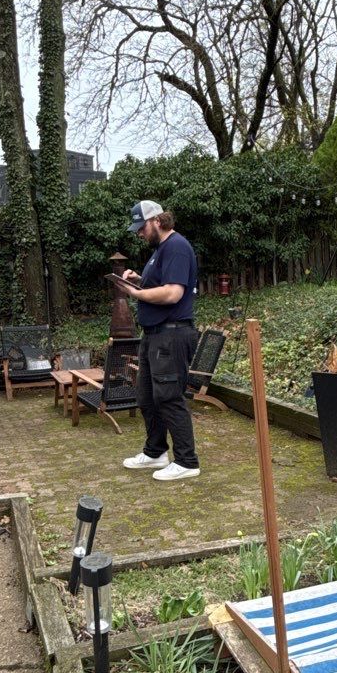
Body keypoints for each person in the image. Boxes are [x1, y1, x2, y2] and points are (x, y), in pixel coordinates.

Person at [116, 200, 201, 482]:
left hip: (172, 334)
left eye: (141, 227)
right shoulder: (160, 251)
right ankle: (155, 452)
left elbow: (173, 293)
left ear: (157, 221)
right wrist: (139, 279)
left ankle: (187, 462)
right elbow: (159, 285)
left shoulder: (176, 247)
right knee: (147, 396)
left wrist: (136, 294)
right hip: (155, 334)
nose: (139, 233)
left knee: (168, 396)